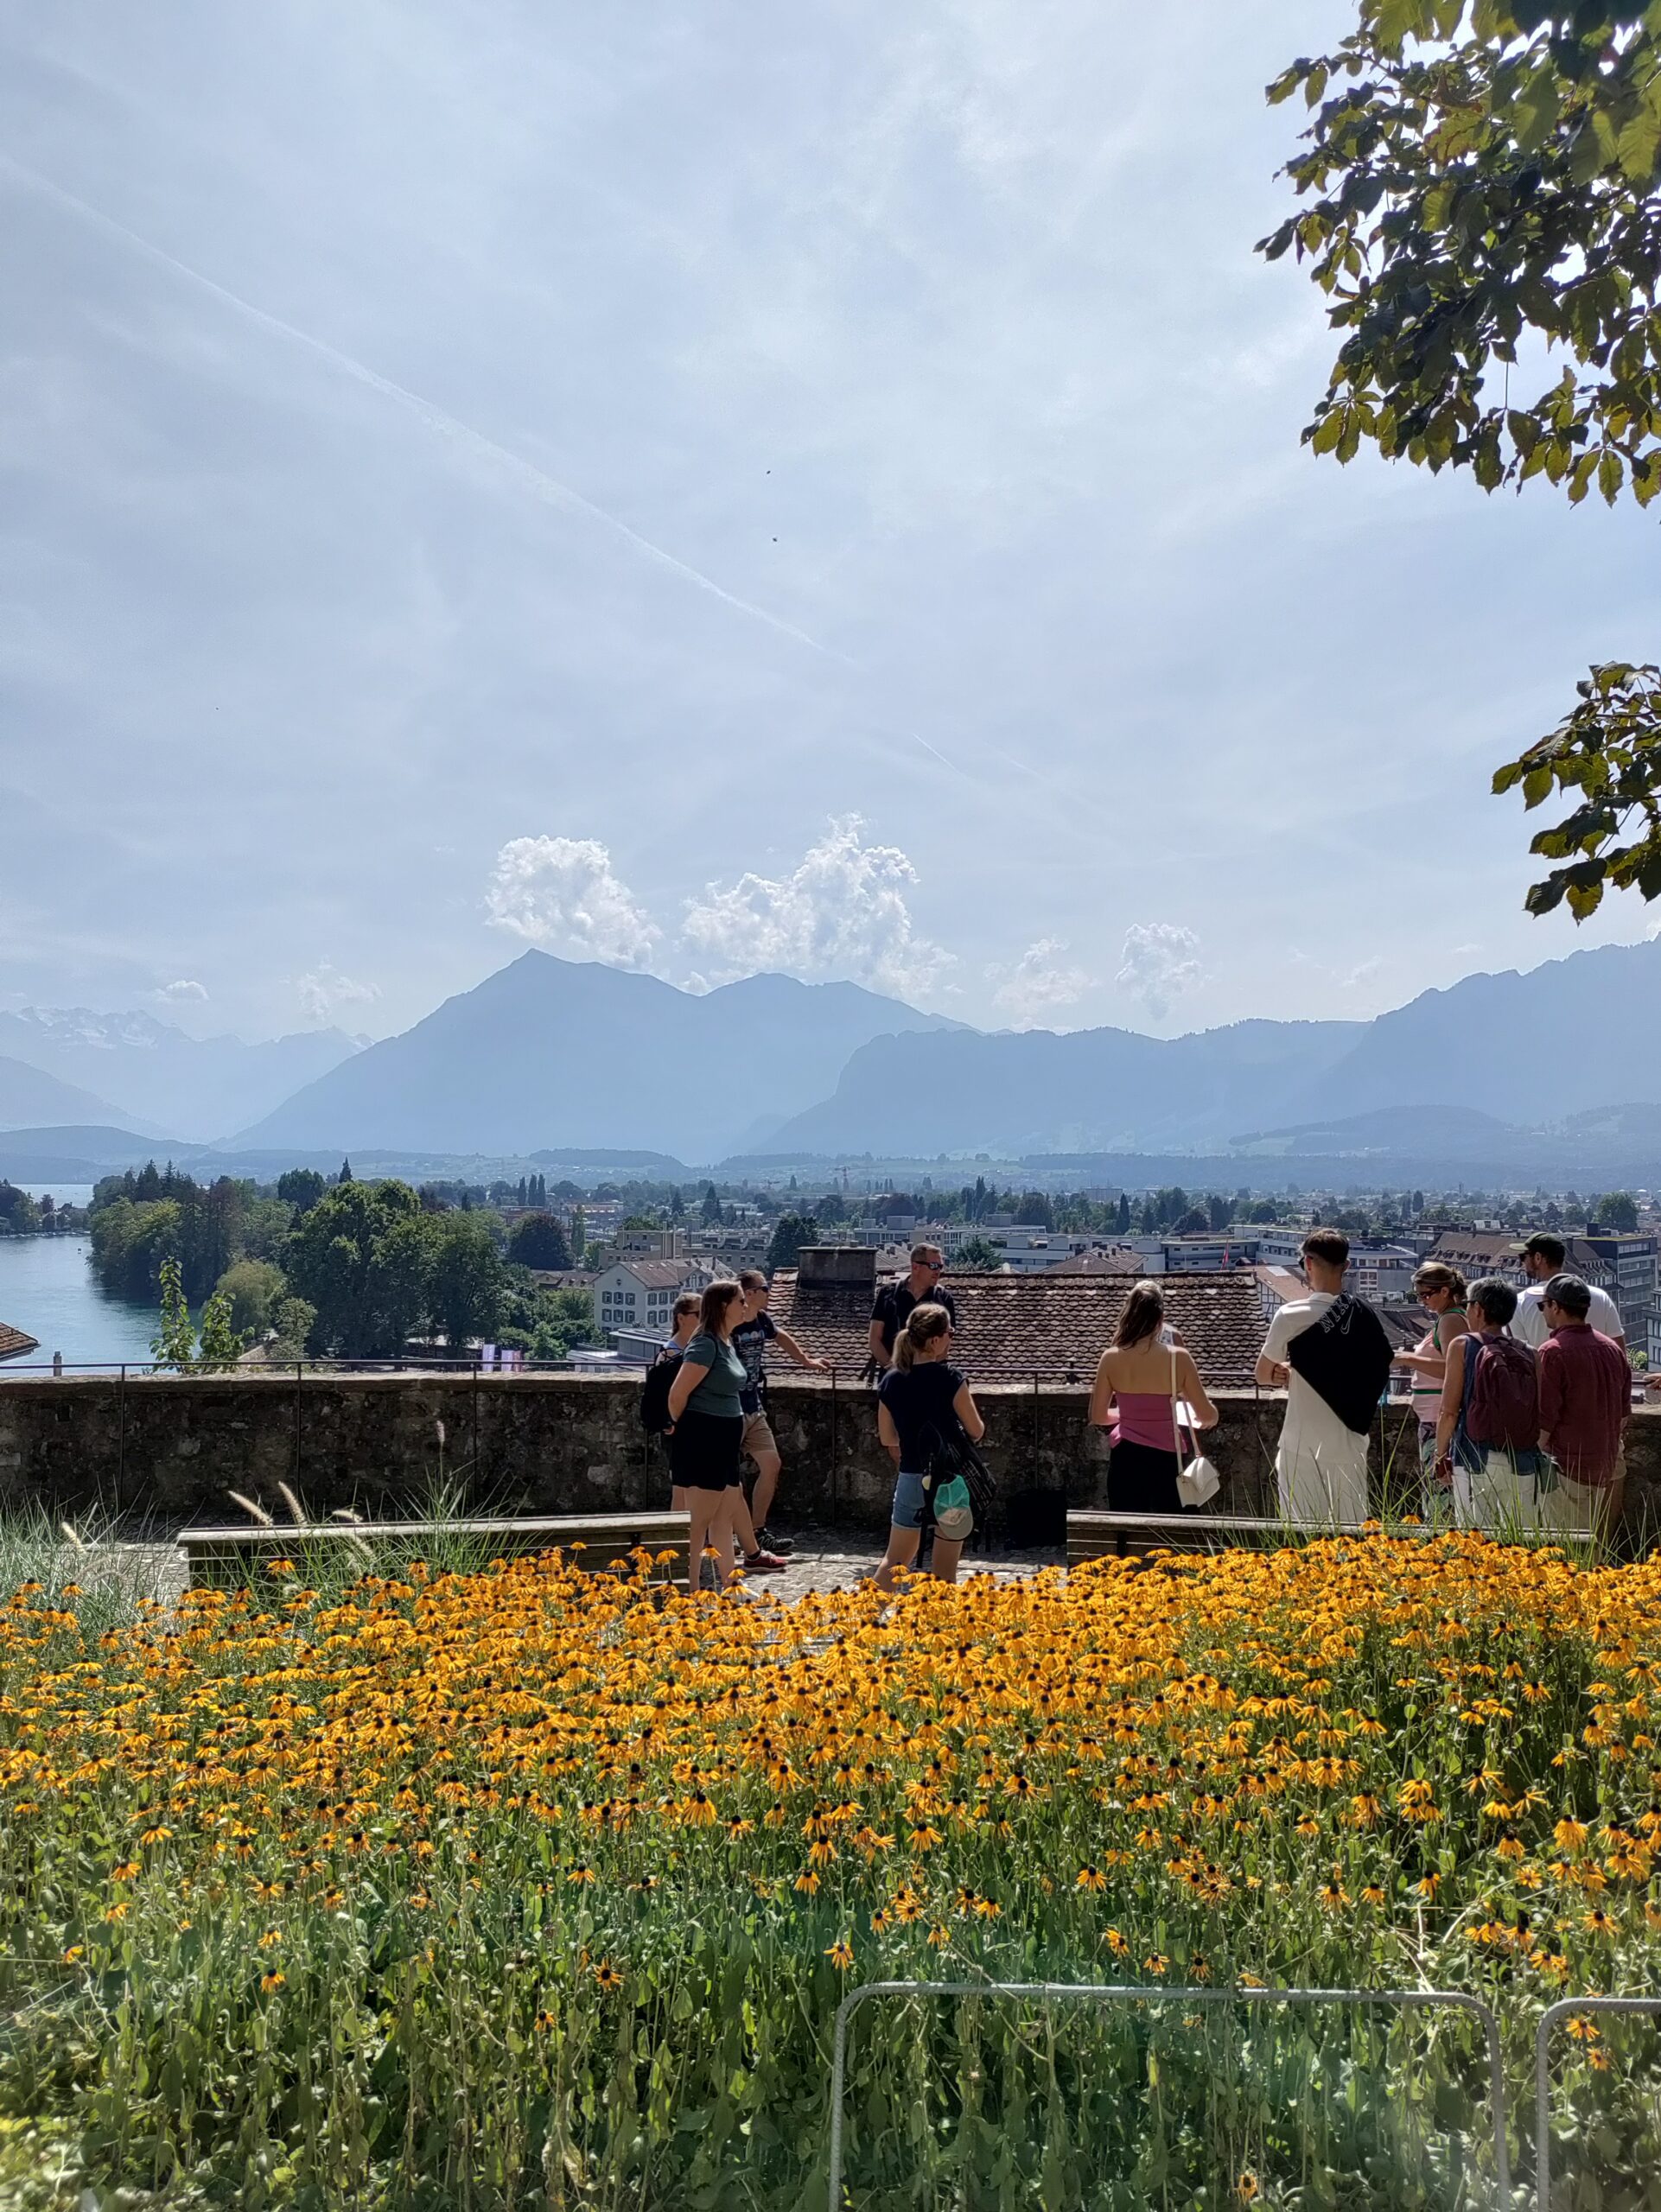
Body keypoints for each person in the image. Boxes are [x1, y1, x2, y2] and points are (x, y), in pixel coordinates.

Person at [1254, 1228, 1394, 1526]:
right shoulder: (1364, 1315)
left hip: (1300, 1444)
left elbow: (1263, 1375)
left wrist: (1291, 1370)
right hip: (1350, 1442)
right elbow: (1381, 1365)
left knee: (1303, 1539)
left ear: (1307, 1263)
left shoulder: (1291, 1315)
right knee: (1351, 1542)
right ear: (1347, 1266)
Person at [665, 1281, 774, 1592]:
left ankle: (730, 1584)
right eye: (741, 1300)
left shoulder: (725, 1341)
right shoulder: (705, 1343)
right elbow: (677, 1394)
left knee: (724, 1515)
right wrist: (683, 1430)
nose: (745, 1305)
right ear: (724, 1306)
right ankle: (692, 1587)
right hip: (705, 1438)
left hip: (725, 1438)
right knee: (699, 1521)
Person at [873, 1302, 983, 1592]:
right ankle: (942, 1630)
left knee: (894, 1561)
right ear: (935, 1340)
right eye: (950, 1332)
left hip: (911, 1477)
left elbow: (887, 1437)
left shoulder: (891, 1380)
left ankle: (861, 1624)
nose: (952, 1337)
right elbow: (976, 1429)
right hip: (950, 1483)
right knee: (945, 1571)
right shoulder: (950, 1378)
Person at [1088, 1280, 1218, 1513]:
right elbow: (1206, 1415)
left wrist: (1131, 1416)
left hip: (1124, 1459)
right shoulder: (1179, 1358)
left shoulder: (1110, 1358)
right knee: (1169, 1538)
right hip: (1166, 1460)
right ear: (1160, 1320)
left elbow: (1098, 1416)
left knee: (1129, 1537)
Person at [1432, 1277, 1543, 1529]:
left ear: (1478, 1309)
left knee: (1475, 1541)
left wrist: (1440, 1456)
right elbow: (1538, 1410)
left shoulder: (1462, 1345)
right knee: (1519, 1542)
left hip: (1474, 1457)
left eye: (1468, 1304)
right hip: (1522, 1458)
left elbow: (1448, 1411)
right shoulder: (1531, 1353)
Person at [731, 1268, 828, 1552]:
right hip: (728, 1407)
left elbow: (781, 1336)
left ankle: (756, 1530)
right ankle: (726, 1534)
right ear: (749, 1294)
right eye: (765, 1288)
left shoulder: (761, 1319)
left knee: (771, 1465)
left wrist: (806, 1361)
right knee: (725, 1475)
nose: (769, 1292)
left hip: (753, 1404)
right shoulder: (730, 1324)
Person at [1535, 1273, 1631, 1546]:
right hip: (1605, 1465)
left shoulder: (1552, 1351)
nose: (1543, 1312)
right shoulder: (1612, 1348)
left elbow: (1544, 1421)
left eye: (1543, 1306)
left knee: (1564, 1556)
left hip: (1566, 1469)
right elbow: (1623, 1416)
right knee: (1595, 1552)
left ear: (1556, 1307)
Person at [1397, 1263, 1469, 1486]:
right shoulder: (1447, 1318)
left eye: (1426, 1294)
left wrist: (1406, 1359)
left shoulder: (1450, 1320)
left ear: (1445, 1291)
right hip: (1432, 1416)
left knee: (1439, 1491)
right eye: (1418, 1295)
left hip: (1438, 1418)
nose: (1422, 1301)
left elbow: (1454, 1369)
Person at [1511, 1234, 1625, 1351]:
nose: (1522, 1262)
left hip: (1547, 1366)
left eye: (1523, 1257)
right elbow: (1619, 1352)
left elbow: (1522, 1357)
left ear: (1538, 1257)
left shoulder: (1520, 1303)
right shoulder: (1601, 1297)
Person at [869, 1244, 958, 1375]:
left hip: (928, 1380)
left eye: (940, 1266)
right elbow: (874, 1338)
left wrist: (925, 1373)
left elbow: (946, 1343)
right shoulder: (888, 1294)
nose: (938, 1271)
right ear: (916, 1267)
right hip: (893, 1380)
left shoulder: (944, 1298)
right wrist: (893, 1370)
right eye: (934, 1266)